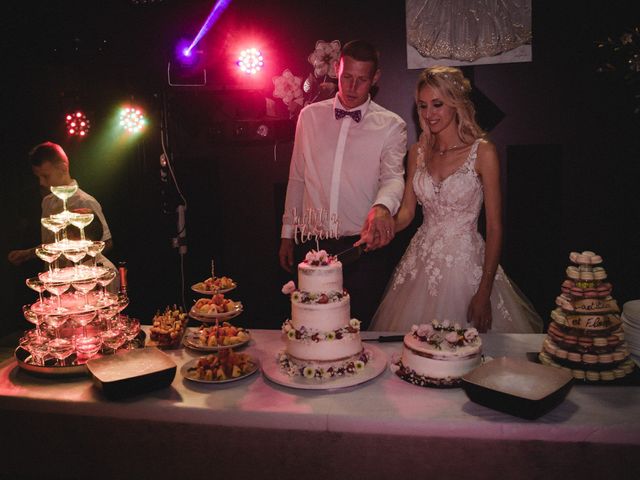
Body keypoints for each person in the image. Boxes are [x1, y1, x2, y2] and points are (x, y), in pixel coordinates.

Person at [370, 66, 542, 333]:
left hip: (465, 265)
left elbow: (495, 227)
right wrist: (386, 225)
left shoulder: (483, 152)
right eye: (423, 105)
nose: (429, 114)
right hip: (421, 262)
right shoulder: (417, 152)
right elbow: (407, 212)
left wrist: (484, 291)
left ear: (456, 103)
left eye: (437, 104)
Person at [279, 40, 407, 328]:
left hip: (362, 250)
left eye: (362, 80)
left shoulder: (391, 125)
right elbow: (297, 177)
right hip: (312, 247)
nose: (352, 87)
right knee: (313, 330)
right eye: (347, 76)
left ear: (375, 78)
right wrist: (287, 233)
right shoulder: (309, 117)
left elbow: (393, 178)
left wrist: (383, 207)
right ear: (337, 69)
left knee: (359, 336)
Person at [7, 141, 113, 266]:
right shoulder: (47, 201)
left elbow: (106, 242)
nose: (41, 182)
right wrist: (27, 254)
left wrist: (76, 265)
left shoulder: (84, 201)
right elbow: (53, 244)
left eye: (46, 176)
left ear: (63, 168)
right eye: (38, 177)